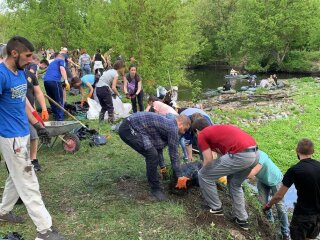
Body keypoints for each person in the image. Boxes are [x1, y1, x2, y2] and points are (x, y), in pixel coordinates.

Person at [0, 36, 64, 240]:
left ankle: (3, 211)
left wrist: (37, 124)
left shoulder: (19, 73)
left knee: (15, 175)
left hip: (23, 133)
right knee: (28, 180)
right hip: (11, 137)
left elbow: (22, 104)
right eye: (28, 56)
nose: (31, 61)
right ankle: (44, 230)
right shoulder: (1, 75)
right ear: (14, 53)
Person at [192, 119, 259, 231]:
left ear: (197, 131)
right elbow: (220, 156)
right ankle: (242, 219)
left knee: (204, 175)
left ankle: (215, 207)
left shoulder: (202, 134)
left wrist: (201, 171)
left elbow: (208, 160)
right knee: (234, 184)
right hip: (255, 154)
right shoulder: (216, 131)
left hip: (241, 155)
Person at [118, 112, 191, 201]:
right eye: (185, 129)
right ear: (180, 123)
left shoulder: (168, 124)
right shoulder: (173, 128)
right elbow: (174, 155)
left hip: (134, 128)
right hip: (128, 129)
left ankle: (154, 179)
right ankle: (155, 189)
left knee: (153, 153)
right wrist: (180, 176)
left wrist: (162, 166)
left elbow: (157, 147)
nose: (184, 132)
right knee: (152, 156)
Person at [264, 139, 320, 240]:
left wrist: (268, 206)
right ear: (313, 152)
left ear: (297, 151)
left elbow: (279, 196)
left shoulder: (294, 170)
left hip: (302, 215)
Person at [248, 150, 290, 239]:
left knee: (280, 207)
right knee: (263, 204)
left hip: (276, 180)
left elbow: (251, 174)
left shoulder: (261, 155)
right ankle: (270, 225)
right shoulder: (247, 158)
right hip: (262, 181)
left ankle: (285, 232)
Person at [25, 69, 49, 171]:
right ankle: (24, 162)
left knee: (34, 135)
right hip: (16, 113)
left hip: (30, 111)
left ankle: (33, 160)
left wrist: (44, 109)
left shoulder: (30, 74)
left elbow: (38, 92)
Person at [43, 53, 69, 121]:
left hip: (46, 81)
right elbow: (62, 69)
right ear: (63, 58)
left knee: (52, 100)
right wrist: (66, 80)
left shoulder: (52, 62)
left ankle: (55, 117)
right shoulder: (61, 60)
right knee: (59, 100)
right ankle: (60, 119)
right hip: (54, 81)